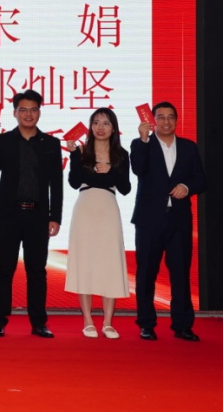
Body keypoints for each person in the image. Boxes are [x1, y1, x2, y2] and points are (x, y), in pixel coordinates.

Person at [0, 89, 63, 338]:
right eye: (23, 110)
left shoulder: (51, 144)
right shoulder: (4, 140)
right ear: (15, 113)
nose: (28, 114)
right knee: (4, 269)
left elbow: (56, 183)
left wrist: (55, 216)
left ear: (39, 112)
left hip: (38, 216)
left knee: (37, 271)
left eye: (33, 110)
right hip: (8, 214)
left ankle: (39, 323)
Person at [130, 101, 207, 342]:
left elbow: (201, 179)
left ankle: (182, 325)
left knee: (180, 274)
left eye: (170, 117)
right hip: (149, 220)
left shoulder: (188, 147)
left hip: (179, 221)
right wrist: (143, 140)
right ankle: (146, 324)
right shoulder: (141, 144)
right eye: (161, 117)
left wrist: (187, 186)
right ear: (153, 120)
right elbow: (138, 169)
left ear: (176, 120)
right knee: (146, 274)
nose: (166, 121)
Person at [64, 108, 131, 339]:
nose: (100, 127)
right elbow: (74, 182)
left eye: (106, 123)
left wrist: (112, 170)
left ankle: (108, 322)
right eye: (96, 122)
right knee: (85, 262)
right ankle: (88, 320)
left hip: (108, 209)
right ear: (90, 126)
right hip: (85, 209)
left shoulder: (121, 154)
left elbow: (125, 188)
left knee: (109, 263)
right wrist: (74, 155)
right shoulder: (82, 151)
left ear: (114, 128)